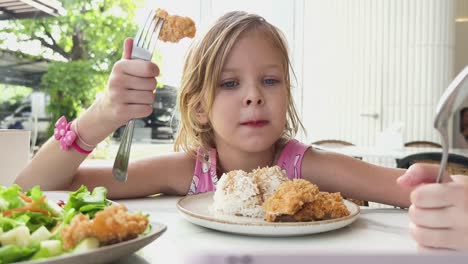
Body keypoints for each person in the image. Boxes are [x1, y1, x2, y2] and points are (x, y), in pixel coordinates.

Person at [14, 11, 468, 252]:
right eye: (230, 84)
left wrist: (452, 195)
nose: (253, 95)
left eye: (270, 81)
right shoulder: (188, 171)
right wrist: (99, 117)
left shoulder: (304, 167)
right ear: (199, 107)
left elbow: (408, 188)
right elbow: (35, 189)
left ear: (287, 94)